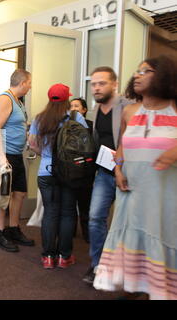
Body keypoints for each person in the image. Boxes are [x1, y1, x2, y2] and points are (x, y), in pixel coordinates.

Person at [93, 56, 177, 300]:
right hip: (132, 190)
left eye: (146, 71)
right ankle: (134, 285)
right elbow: (121, 147)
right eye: (137, 71)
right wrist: (118, 168)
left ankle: (160, 290)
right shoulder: (130, 111)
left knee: (162, 234)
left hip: (165, 194)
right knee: (133, 236)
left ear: (164, 76)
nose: (137, 75)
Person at [82, 66, 133, 284]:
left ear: (114, 84)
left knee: (125, 224)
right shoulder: (95, 108)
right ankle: (98, 265)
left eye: (102, 83)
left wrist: (121, 167)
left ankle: (126, 273)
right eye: (93, 84)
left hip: (127, 174)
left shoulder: (128, 107)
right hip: (103, 174)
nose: (97, 87)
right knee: (95, 218)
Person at [29, 84, 89, 269]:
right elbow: (85, 142)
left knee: (50, 212)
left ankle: (48, 257)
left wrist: (46, 155)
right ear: (67, 99)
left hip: (46, 172)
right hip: (69, 173)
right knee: (68, 213)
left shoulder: (40, 118)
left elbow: (32, 144)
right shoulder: (75, 116)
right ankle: (64, 257)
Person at [0, 69, 35, 252]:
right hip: (4, 154)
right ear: (22, 82)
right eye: (29, 83)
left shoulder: (18, 102)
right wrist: (1, 157)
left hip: (15, 154)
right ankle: (0, 234)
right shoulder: (4, 99)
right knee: (2, 196)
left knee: (19, 193)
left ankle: (13, 229)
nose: (31, 86)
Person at [70, 97, 93, 243]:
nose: (73, 109)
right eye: (71, 106)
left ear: (84, 110)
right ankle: (70, 232)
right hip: (70, 170)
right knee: (70, 205)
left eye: (77, 106)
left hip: (86, 171)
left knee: (85, 205)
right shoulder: (66, 125)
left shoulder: (91, 126)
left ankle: (87, 234)